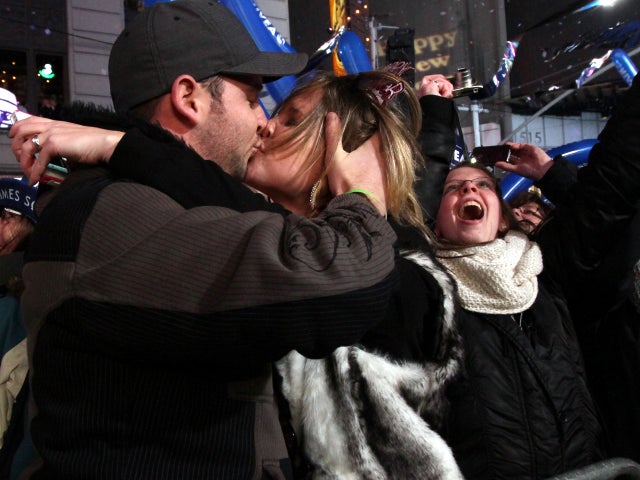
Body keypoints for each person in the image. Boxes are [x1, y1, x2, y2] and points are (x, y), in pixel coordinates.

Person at [13, 65, 466, 478]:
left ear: (345, 150)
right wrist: (119, 144)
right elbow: (217, 195)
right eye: (258, 105)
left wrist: (119, 144)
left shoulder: (401, 275)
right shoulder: (262, 230)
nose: (265, 124)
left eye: (290, 120)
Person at [421, 72, 640, 478]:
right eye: (454, 188)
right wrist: (433, 117)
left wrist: (554, 174)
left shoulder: (548, 271)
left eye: (483, 185)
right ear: (435, 222)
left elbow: (606, 194)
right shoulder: (424, 292)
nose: (469, 192)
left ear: (503, 219)